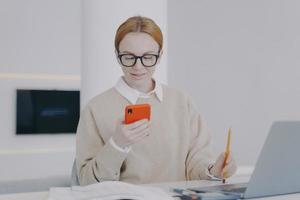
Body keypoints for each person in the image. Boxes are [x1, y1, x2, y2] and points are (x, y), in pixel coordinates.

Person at [76, 16, 237, 186]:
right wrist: (117, 144)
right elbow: (87, 182)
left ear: (160, 56)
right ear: (117, 56)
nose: (138, 67)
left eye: (148, 57)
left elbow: (196, 164)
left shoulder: (182, 102)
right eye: (129, 57)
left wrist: (214, 171)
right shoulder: (95, 109)